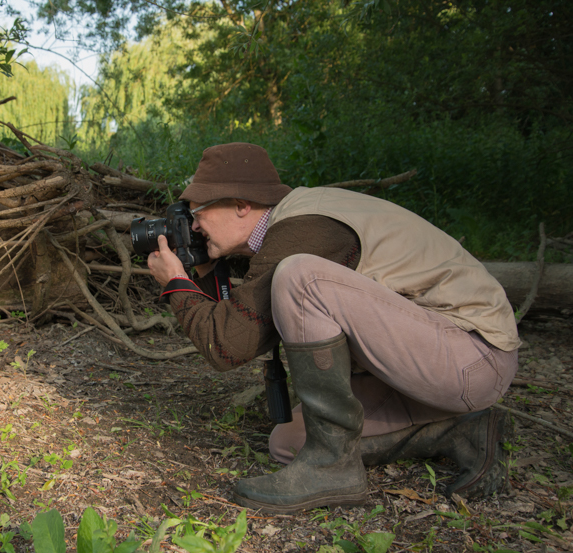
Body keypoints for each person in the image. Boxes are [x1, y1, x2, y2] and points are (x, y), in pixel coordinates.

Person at [146, 142, 519, 513]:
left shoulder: (305, 230)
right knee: (288, 442)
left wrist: (176, 284)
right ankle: (459, 430)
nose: (193, 226)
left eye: (198, 213)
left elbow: (227, 344)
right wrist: (205, 270)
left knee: (299, 277)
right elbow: (234, 325)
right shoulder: (290, 222)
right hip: (427, 362)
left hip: (474, 357)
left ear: (241, 204)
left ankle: (332, 468)